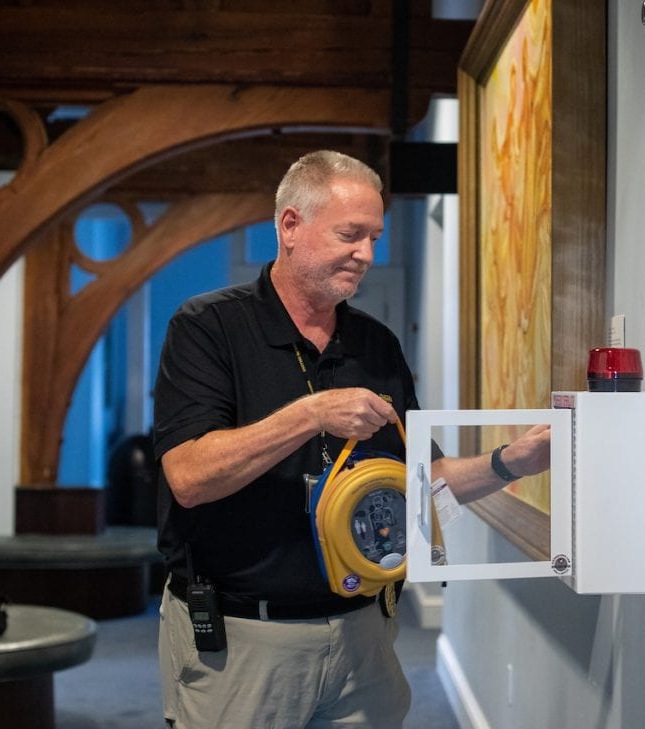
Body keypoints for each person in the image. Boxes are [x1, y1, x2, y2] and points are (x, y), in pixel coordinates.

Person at [153, 149, 551, 729]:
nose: (366, 254)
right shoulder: (207, 328)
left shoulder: (377, 344)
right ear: (291, 226)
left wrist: (511, 462)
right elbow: (188, 479)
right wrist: (311, 413)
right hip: (243, 643)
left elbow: (425, 481)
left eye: (374, 237)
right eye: (351, 234)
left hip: (366, 634)